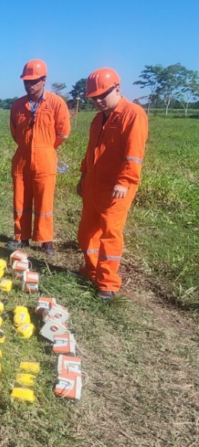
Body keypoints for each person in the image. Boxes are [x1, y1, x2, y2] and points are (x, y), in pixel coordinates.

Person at [77, 68, 148, 300]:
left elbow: (134, 155)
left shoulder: (133, 114)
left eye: (101, 95)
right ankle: (91, 270)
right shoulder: (98, 119)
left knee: (110, 234)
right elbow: (90, 151)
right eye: (93, 97)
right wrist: (83, 175)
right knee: (87, 231)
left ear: (117, 88)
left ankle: (107, 283)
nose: (97, 101)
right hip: (94, 183)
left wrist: (125, 181)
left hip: (117, 187)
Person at [8, 59, 71, 255]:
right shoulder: (18, 105)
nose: (29, 85)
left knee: (44, 201)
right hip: (22, 158)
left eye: (34, 81)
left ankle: (46, 240)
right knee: (20, 199)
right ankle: (21, 237)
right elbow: (14, 132)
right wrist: (28, 147)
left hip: (46, 157)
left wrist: (46, 149)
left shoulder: (56, 103)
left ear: (44, 80)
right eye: (26, 81)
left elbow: (63, 132)